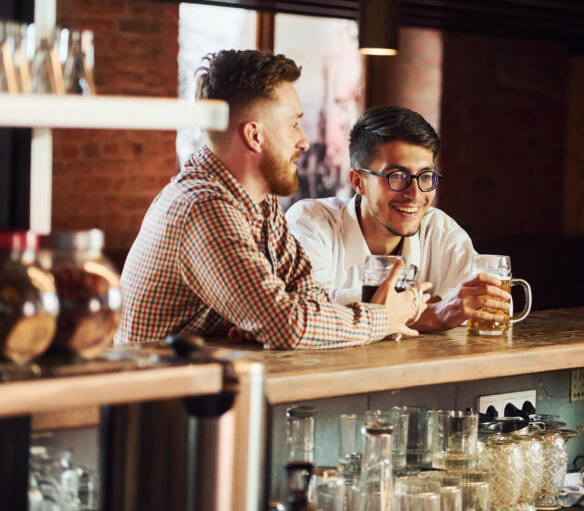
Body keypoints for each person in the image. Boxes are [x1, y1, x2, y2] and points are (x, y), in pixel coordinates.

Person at [116, 50, 420, 349]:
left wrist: (270, 320)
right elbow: (286, 324)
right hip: (156, 394)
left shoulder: (259, 203)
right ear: (254, 136)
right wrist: (381, 318)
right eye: (293, 124)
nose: (304, 140)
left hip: (207, 386)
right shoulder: (203, 207)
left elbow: (306, 296)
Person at [286, 106, 511, 332]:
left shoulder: (440, 230)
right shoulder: (311, 222)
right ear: (358, 182)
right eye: (397, 176)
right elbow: (305, 312)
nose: (415, 194)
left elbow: (493, 306)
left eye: (425, 177)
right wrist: (432, 314)